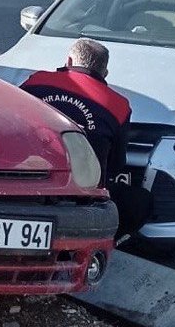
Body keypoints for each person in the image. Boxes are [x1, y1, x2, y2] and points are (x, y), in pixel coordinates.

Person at [20, 38, 151, 240]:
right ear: (104, 72)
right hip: (82, 195)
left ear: (69, 61)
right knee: (141, 201)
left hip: (27, 183)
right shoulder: (118, 105)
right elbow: (116, 165)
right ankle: (104, 242)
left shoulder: (35, 82)